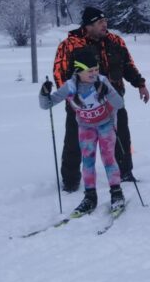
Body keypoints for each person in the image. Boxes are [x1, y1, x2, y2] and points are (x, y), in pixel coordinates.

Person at [53, 6, 149, 191]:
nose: (105, 25)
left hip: (112, 100)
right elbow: (59, 73)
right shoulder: (70, 45)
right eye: (99, 22)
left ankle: (125, 173)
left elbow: (128, 65)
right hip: (81, 104)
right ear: (88, 26)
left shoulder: (115, 41)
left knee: (121, 136)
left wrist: (140, 84)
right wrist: (71, 98)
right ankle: (71, 181)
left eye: (105, 21)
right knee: (74, 141)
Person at [39, 46, 125, 216]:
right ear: (78, 71)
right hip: (86, 126)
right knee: (87, 161)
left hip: (106, 123)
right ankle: (90, 197)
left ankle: (116, 193)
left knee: (108, 158)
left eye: (96, 69)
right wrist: (44, 93)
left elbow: (119, 104)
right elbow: (46, 104)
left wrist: (108, 91)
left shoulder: (102, 81)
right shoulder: (70, 86)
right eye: (89, 71)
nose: (94, 74)